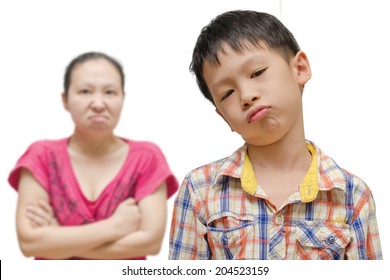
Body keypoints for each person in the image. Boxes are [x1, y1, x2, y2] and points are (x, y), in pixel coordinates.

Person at [169, 10, 382, 260]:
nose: (247, 95)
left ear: (299, 69)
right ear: (223, 117)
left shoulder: (352, 197)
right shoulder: (199, 191)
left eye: (257, 72)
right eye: (228, 93)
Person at [8, 52, 178, 260]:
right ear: (65, 99)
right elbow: (29, 243)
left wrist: (56, 241)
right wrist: (114, 227)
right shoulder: (41, 156)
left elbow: (150, 242)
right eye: (85, 91)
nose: (98, 103)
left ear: (122, 97)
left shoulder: (147, 158)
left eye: (109, 92)